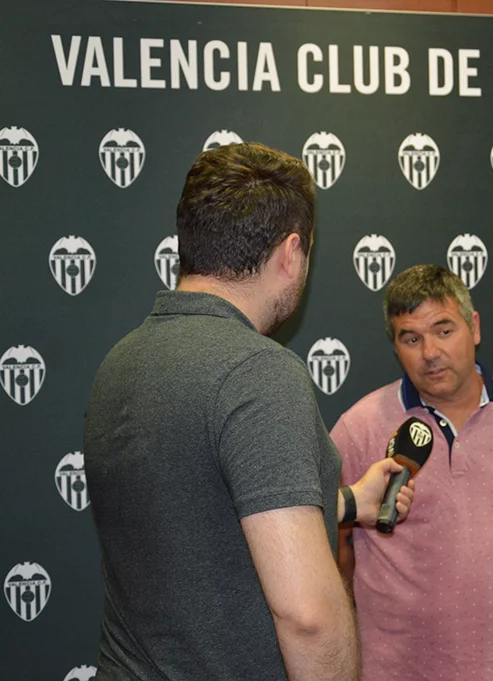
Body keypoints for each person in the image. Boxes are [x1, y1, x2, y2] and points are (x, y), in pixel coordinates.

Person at [84, 142, 411, 681]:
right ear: (290, 252)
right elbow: (308, 617)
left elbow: (206, 518)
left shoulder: (121, 362)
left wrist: (352, 502)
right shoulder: (258, 372)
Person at [330, 264, 493, 681]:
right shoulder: (358, 427)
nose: (430, 353)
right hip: (394, 673)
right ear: (395, 344)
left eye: (443, 330)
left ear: (473, 327)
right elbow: (333, 549)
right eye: (411, 338)